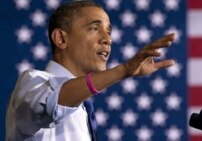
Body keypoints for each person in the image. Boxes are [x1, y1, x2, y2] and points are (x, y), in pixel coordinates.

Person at [5, 0, 176, 141]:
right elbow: (53, 102)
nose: (107, 39)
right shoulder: (32, 82)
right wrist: (123, 70)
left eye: (109, 32)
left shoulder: (83, 105)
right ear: (61, 38)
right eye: (95, 28)